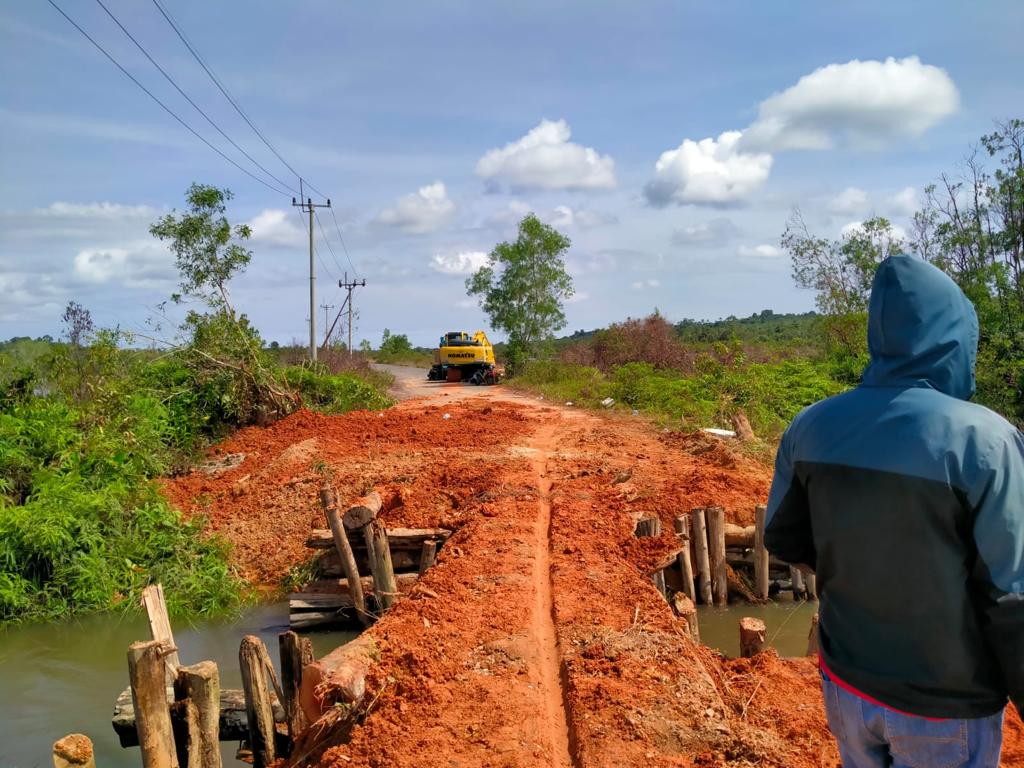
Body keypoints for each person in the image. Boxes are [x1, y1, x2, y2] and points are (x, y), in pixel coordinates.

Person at [765, 254, 1024, 767]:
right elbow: (1012, 597)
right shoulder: (986, 441)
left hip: (847, 685)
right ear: (955, 339)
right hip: (944, 703)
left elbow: (784, 538)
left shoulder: (811, 426)